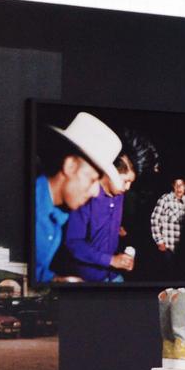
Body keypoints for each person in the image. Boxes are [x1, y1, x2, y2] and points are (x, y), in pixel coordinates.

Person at [32, 111, 122, 285]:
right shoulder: (29, 205)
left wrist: (56, 280)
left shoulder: (58, 216)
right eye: (92, 179)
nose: (96, 192)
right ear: (70, 166)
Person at [59, 153, 137, 283]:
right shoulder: (86, 195)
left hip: (113, 274)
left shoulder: (119, 195)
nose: (128, 187)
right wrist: (111, 260)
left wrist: (118, 232)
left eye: (130, 182)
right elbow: (73, 243)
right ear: (109, 173)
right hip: (89, 277)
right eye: (125, 181)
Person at [151, 177, 185, 257]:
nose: (178, 188)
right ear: (173, 186)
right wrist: (159, 241)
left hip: (184, 249)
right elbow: (155, 220)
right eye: (176, 185)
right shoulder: (165, 199)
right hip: (168, 248)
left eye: (181, 185)